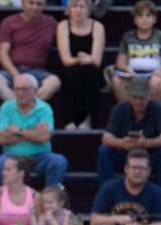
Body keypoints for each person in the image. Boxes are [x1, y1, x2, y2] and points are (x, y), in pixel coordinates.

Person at [98, 77, 161, 206]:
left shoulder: (159, 110)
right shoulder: (119, 109)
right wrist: (122, 143)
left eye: (142, 98)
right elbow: (106, 138)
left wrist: (146, 143)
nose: (138, 102)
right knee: (104, 151)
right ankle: (106, 200)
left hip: (149, 155)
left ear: (149, 96)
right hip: (125, 154)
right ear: (130, 97)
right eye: (135, 98)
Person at [0, 72, 69, 189]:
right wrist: (34, 133)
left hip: (40, 156)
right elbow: (2, 138)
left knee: (59, 161)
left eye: (25, 89)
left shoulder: (44, 108)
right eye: (17, 89)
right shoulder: (6, 107)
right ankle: (6, 200)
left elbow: (44, 137)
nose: (20, 93)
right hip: (13, 156)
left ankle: (50, 200)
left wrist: (19, 131)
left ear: (35, 90)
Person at [0, 0, 59, 103]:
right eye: (31, 3)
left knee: (54, 82)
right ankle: (19, 108)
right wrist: (17, 76)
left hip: (38, 71)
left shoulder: (51, 23)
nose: (35, 7)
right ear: (22, 3)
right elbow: (2, 54)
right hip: (13, 70)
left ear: (44, 5)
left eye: (39, 4)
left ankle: (28, 107)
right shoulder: (9, 22)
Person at [109, 1, 161, 103]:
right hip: (132, 75)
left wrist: (160, 70)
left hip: (153, 75)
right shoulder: (128, 37)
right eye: (140, 15)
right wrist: (126, 68)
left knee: (157, 81)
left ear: (154, 19)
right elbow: (120, 63)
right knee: (116, 80)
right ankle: (128, 113)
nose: (144, 19)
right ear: (135, 19)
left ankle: (152, 114)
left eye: (148, 15)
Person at [55, 0, 104, 130]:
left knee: (91, 73)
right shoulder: (63, 26)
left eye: (82, 7)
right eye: (75, 6)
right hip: (70, 67)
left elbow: (96, 60)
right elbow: (66, 59)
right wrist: (81, 58)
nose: (78, 10)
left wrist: (88, 59)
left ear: (88, 10)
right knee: (72, 73)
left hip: (91, 67)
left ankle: (87, 120)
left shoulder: (97, 26)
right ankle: (69, 121)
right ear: (69, 9)